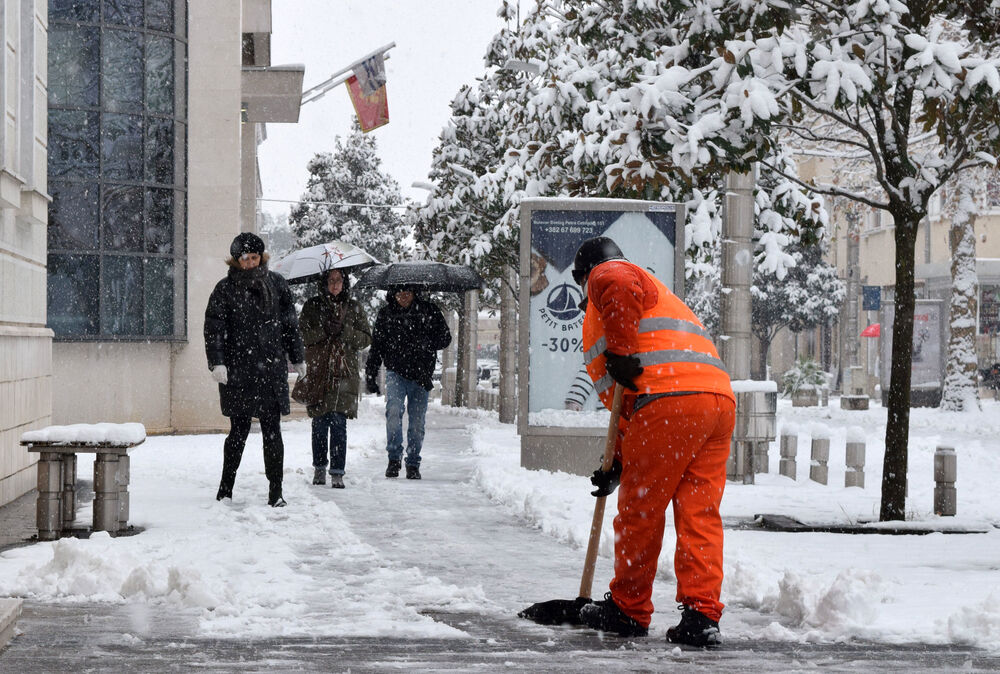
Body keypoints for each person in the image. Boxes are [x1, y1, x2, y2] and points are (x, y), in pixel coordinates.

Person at [571, 237, 736, 647]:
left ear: (584, 274)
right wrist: (617, 463)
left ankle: (628, 608)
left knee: (640, 510)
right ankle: (701, 615)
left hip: (668, 400)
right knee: (699, 513)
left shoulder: (609, 273)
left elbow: (614, 278)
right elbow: (625, 407)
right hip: (715, 401)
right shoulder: (655, 302)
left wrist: (620, 352)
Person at [204, 232, 305, 507]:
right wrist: (217, 362)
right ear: (236, 261)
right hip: (238, 372)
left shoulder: (276, 284)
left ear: (261, 257)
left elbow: (290, 325)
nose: (250, 263)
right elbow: (214, 328)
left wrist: (298, 357)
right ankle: (225, 489)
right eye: (245, 258)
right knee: (238, 432)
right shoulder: (225, 289)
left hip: (270, 371)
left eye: (254, 257)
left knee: (273, 432)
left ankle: (276, 492)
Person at [365, 286, 451, 480]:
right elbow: (377, 346)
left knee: (417, 421)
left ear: (414, 294)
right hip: (396, 372)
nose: (403, 298)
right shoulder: (386, 314)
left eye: (407, 294)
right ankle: (394, 458)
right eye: (399, 294)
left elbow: (445, 338)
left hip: (421, 375)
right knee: (393, 412)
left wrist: (427, 340)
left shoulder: (429, 311)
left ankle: (413, 462)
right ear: (393, 295)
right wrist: (371, 374)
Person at [297, 268, 372, 489]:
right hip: (319, 372)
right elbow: (302, 336)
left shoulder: (354, 307)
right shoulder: (312, 306)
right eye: (331, 280)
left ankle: (337, 472)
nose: (335, 284)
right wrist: (324, 330)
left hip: (344, 374)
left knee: (339, 423)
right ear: (324, 283)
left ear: (345, 282)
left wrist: (344, 331)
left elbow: (366, 339)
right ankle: (319, 468)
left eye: (339, 280)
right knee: (319, 422)